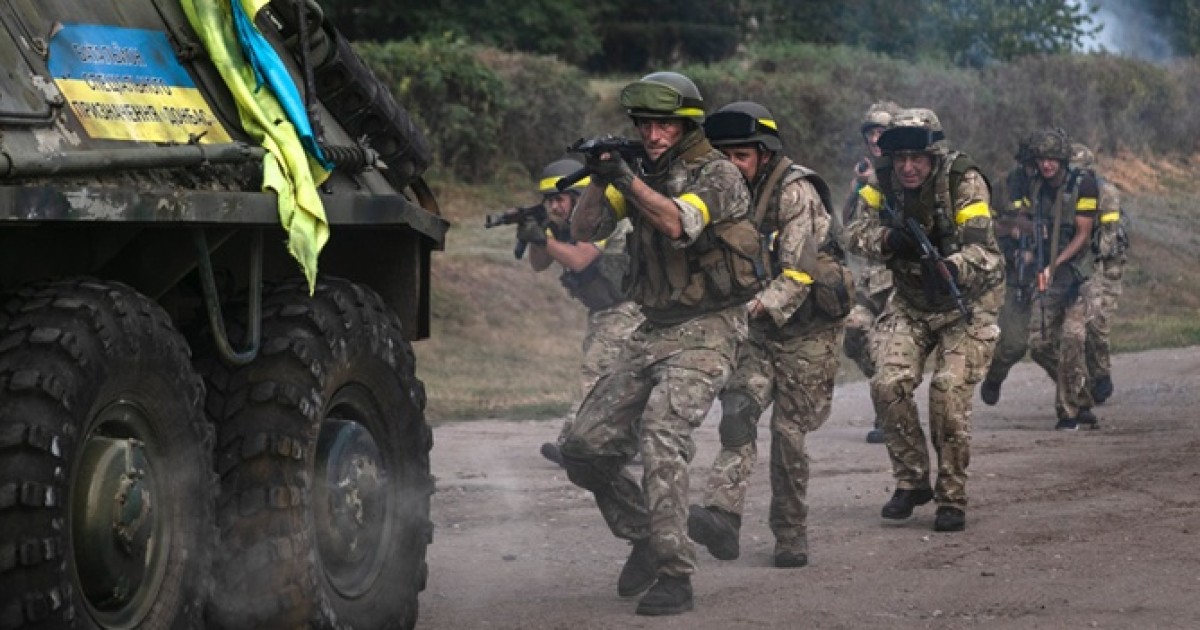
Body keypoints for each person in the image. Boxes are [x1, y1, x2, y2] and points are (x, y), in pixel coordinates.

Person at [559, 71, 757, 616]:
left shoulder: (718, 173)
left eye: (663, 124)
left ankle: (675, 574)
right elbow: (583, 231)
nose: (652, 134)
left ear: (686, 125)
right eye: (644, 124)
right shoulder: (643, 171)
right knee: (582, 447)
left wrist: (626, 177)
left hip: (710, 327)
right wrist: (599, 178)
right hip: (653, 326)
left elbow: (676, 223)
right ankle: (646, 534)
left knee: (661, 436)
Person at [687, 101, 850, 569]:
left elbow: (798, 275)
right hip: (757, 328)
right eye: (724, 156)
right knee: (738, 411)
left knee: (788, 435)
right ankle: (722, 515)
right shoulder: (718, 191)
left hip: (809, 329)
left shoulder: (796, 192)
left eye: (741, 156)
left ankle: (790, 532)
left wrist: (748, 310)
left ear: (764, 154)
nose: (732, 165)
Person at [843, 107, 1004, 532]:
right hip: (911, 301)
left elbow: (985, 250)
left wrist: (952, 267)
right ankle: (912, 481)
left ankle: (951, 497)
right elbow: (853, 233)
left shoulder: (962, 181)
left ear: (933, 156)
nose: (908, 168)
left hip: (966, 303)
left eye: (916, 158)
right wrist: (887, 239)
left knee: (948, 392)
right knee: (886, 383)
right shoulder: (880, 182)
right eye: (900, 159)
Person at [515, 159, 646, 467]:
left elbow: (579, 260)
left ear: (578, 197)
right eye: (549, 200)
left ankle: (573, 444)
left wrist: (542, 238)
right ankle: (630, 442)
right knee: (623, 380)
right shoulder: (562, 227)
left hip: (627, 309)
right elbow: (539, 264)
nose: (554, 206)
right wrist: (536, 235)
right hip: (604, 311)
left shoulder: (601, 218)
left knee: (594, 374)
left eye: (559, 199)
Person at [1022, 128, 1099, 430]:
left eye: (1052, 158)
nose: (1047, 164)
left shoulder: (1084, 185)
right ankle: (1081, 394)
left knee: (1072, 337)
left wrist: (1054, 263)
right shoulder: (1037, 187)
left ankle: (1067, 412)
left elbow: (1083, 234)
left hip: (1080, 275)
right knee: (1039, 344)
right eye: (1042, 158)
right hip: (1050, 276)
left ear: (1063, 159)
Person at [842, 101, 900, 443]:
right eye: (871, 134)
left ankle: (888, 415)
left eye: (882, 132)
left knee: (885, 345)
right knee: (854, 331)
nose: (875, 139)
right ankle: (891, 388)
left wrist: (875, 180)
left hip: (900, 279)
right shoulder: (866, 173)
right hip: (870, 279)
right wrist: (857, 187)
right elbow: (849, 224)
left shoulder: (905, 170)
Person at [980, 135, 1040, 405]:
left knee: (1060, 343)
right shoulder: (1004, 187)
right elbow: (983, 225)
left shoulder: (1061, 189)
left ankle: (1076, 400)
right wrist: (1010, 230)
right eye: (1031, 165)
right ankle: (995, 376)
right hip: (1016, 273)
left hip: (1056, 273)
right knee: (1014, 343)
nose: (1038, 170)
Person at [1073, 143, 1128, 405]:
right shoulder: (1067, 192)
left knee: (1099, 323)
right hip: (1081, 265)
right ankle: (1085, 379)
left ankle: (1101, 375)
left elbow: (1109, 237)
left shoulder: (1106, 192)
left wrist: (1090, 257)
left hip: (1106, 266)